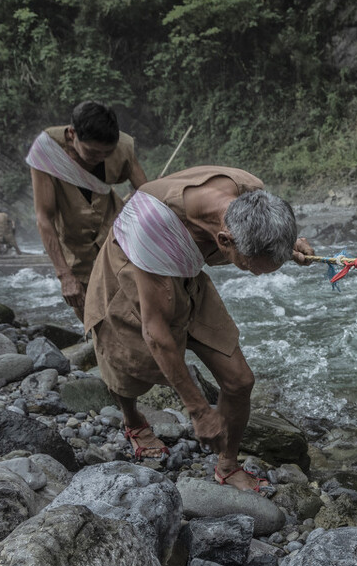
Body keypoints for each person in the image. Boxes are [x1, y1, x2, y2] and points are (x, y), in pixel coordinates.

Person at [82, 165, 313, 484]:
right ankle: (133, 420)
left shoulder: (249, 190)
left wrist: (286, 246)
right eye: (252, 268)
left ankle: (227, 466)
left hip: (187, 267)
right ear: (224, 240)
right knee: (129, 364)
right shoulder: (152, 227)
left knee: (240, 381)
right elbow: (156, 334)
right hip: (137, 265)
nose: (257, 276)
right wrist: (200, 410)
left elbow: (263, 234)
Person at [28, 100, 148, 320]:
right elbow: (44, 218)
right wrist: (65, 275)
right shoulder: (46, 151)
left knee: (138, 310)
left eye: (107, 152)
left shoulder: (122, 146)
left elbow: (147, 195)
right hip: (76, 250)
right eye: (93, 152)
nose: (100, 158)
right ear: (72, 134)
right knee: (93, 319)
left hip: (119, 236)